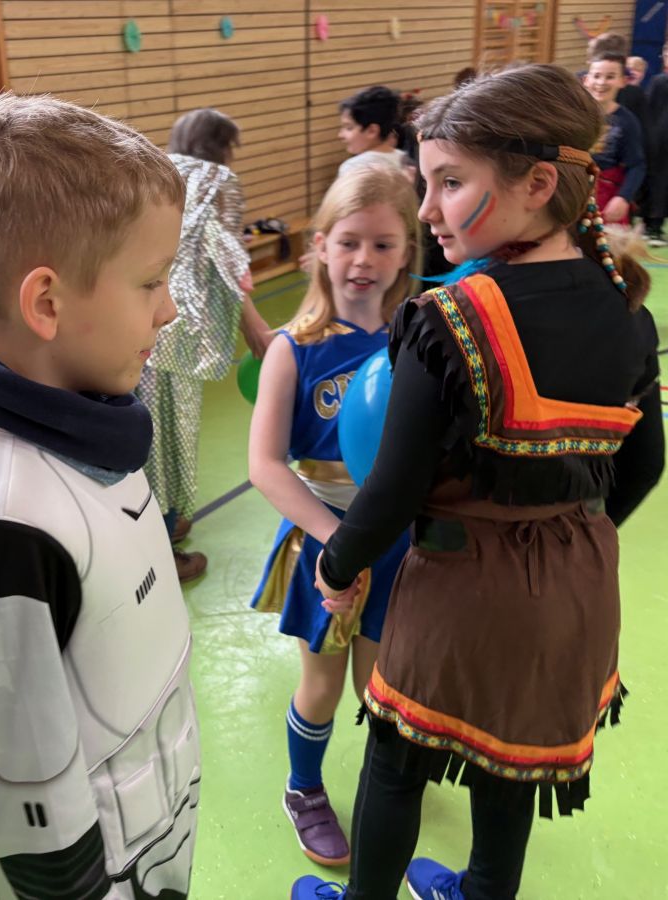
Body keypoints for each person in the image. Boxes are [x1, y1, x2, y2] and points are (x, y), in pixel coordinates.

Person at [290, 63, 663, 900]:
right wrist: (563, 536)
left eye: (450, 183)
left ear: (538, 185)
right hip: (578, 584)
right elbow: (645, 466)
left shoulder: (446, 320)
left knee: (395, 762)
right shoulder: (629, 308)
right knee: (514, 763)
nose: (428, 210)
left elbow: (390, 493)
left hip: (463, 589)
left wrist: (338, 567)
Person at [0, 92, 202, 900]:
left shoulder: (86, 422)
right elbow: (25, 782)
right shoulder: (13, 526)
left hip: (159, 822)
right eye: (150, 282)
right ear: (46, 303)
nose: (169, 308)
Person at [249, 163, 419, 868]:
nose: (363, 259)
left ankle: (386, 784)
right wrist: (337, 543)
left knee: (382, 686)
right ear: (320, 246)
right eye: (349, 242)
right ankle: (304, 788)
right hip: (327, 548)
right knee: (322, 685)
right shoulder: (293, 350)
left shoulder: (418, 342)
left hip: (402, 547)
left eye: (383, 244)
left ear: (406, 252)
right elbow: (264, 465)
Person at [136, 107, 274, 582]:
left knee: (151, 436)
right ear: (222, 146)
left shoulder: (155, 174)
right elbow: (226, 254)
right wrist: (253, 324)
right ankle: (161, 546)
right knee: (171, 436)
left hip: (141, 323)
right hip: (180, 331)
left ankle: (169, 518)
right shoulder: (218, 180)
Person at [586, 51, 647, 225]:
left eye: (610, 77)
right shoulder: (572, 115)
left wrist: (623, 197)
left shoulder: (627, 122)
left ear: (623, 81)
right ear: (586, 80)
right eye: (596, 76)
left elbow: (636, 165)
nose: (601, 82)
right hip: (568, 192)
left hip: (604, 196)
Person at [336, 87, 408, 178]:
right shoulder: (405, 160)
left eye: (349, 128)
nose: (340, 135)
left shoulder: (354, 167)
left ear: (372, 131)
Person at [645, 44, 668, 246]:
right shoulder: (659, 81)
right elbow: (649, 112)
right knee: (658, 184)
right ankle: (653, 226)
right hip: (659, 144)